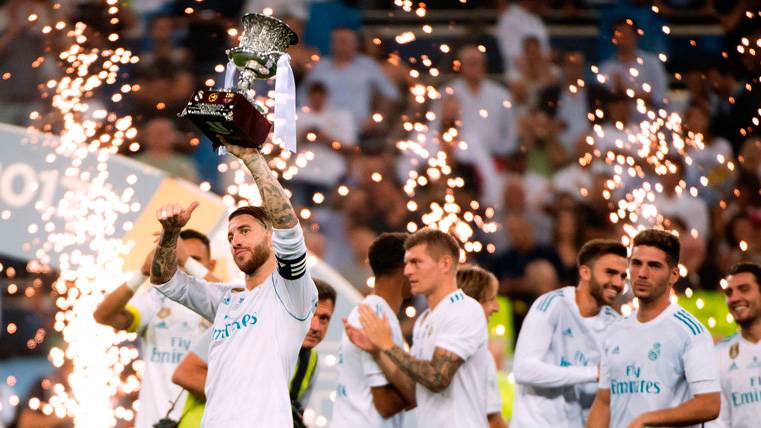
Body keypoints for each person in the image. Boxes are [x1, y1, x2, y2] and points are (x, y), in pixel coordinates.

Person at [148, 140, 318, 426]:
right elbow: (164, 281)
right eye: (230, 236)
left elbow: (289, 229)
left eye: (245, 231)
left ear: (270, 237)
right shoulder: (226, 298)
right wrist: (170, 233)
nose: (236, 240)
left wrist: (252, 159)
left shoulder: (291, 292)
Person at [345, 229, 491, 427]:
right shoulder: (424, 320)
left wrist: (388, 346)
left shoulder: (464, 309)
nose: (407, 271)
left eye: (416, 262)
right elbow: (416, 391)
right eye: (406, 263)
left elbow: (438, 377)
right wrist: (378, 353)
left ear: (445, 263)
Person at [588, 229, 721, 428]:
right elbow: (603, 402)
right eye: (636, 263)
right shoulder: (614, 332)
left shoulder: (691, 331)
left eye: (654, 266)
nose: (642, 273)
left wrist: (647, 419)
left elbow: (709, 404)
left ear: (674, 275)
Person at [93, 229, 219, 428]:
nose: (185, 266)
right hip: (153, 421)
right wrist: (142, 272)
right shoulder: (155, 300)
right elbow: (103, 316)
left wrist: (186, 261)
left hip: (204, 421)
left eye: (195, 259)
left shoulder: (222, 304)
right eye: (177, 260)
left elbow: (238, 301)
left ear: (211, 265)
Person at [171, 280, 337, 428]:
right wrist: (254, 400)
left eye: (324, 318)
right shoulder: (243, 323)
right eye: (311, 314)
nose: (316, 326)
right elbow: (184, 374)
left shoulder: (311, 362)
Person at [511, 239, 627, 427]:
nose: (618, 283)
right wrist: (592, 373)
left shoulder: (617, 325)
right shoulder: (551, 305)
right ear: (585, 272)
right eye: (610, 273)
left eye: (623, 276)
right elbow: (523, 370)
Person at [332, 232, 411, 427]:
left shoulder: (375, 312)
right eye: (415, 263)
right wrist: (428, 390)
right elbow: (385, 404)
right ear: (404, 268)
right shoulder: (374, 318)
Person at [707, 262, 761, 427]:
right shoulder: (718, 355)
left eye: (744, 289)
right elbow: (718, 422)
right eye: (729, 292)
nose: (735, 298)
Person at [456, 265, 508, 428]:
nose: (496, 308)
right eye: (491, 299)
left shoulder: (434, 343)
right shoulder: (481, 355)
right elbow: (493, 421)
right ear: (474, 303)